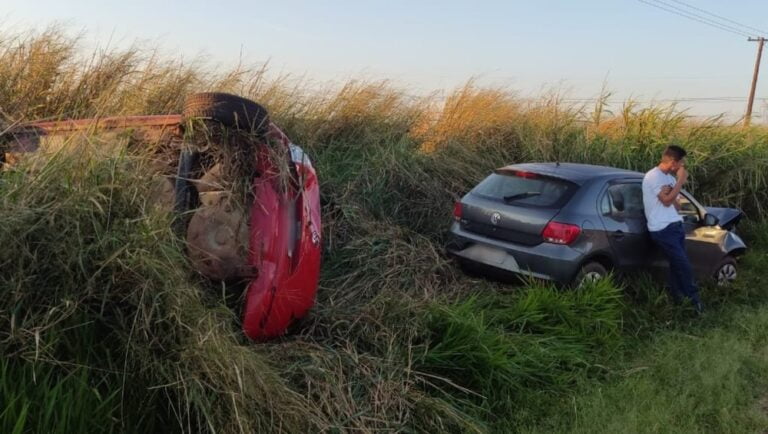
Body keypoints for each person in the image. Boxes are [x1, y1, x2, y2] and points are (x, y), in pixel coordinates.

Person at [642, 145, 703, 312]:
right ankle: (695, 303)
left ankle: (679, 302)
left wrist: (675, 187)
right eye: (681, 162)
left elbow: (675, 205)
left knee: (677, 266)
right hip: (662, 229)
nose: (683, 166)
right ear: (673, 162)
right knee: (683, 266)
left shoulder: (669, 179)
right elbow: (666, 201)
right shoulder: (653, 177)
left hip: (675, 225)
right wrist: (681, 182)